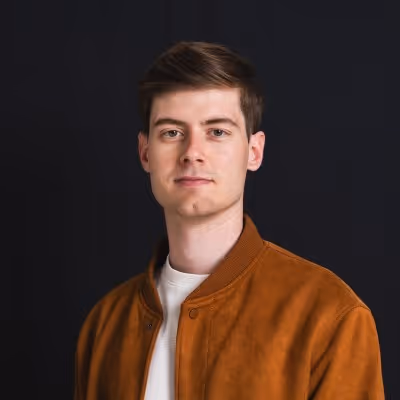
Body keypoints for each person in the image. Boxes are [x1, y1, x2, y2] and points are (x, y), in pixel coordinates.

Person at [74, 41, 385, 400]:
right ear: (146, 153)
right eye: (172, 132)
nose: (192, 152)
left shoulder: (330, 316)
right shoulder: (105, 326)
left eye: (217, 132)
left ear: (254, 151)